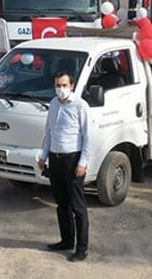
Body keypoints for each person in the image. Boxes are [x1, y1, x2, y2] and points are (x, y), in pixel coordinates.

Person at [37, 71, 92, 262]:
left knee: (77, 206)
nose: (61, 89)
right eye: (58, 86)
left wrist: (83, 162)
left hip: (73, 159)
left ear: (72, 86)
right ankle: (66, 240)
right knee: (62, 205)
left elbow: (88, 137)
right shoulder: (53, 104)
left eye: (64, 85)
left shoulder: (80, 105)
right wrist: (44, 155)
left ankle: (82, 248)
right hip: (55, 159)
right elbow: (49, 132)